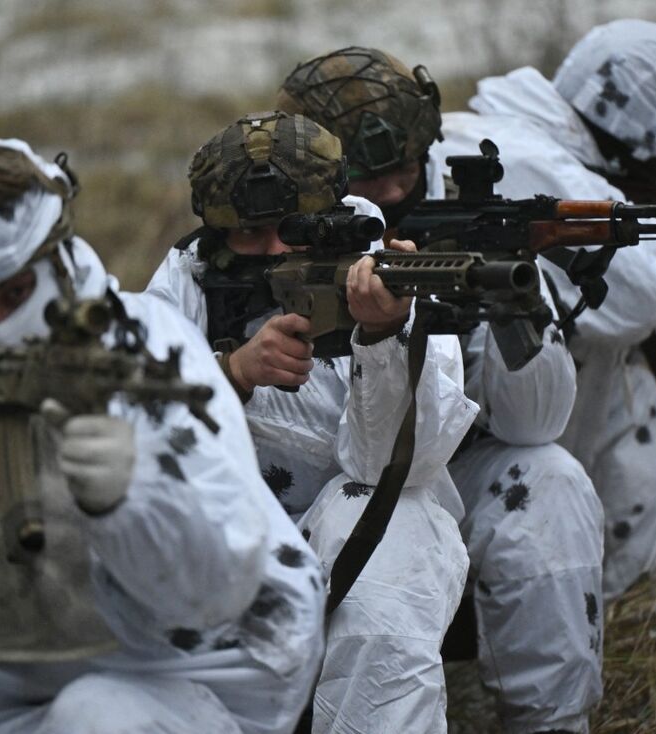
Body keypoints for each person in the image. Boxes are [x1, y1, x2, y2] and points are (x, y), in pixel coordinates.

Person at [0, 132, 324, 734]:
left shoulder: (146, 350)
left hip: (138, 695)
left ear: (51, 258)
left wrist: (133, 497)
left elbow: (225, 585)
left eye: (14, 292)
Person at [278, 48, 605, 734]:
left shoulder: (475, 237)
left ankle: (551, 719)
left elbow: (534, 423)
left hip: (449, 473)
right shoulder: (267, 244)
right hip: (315, 495)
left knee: (549, 479)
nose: (395, 192)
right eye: (369, 175)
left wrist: (516, 310)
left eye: (406, 165)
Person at [433, 19, 656, 600]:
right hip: (466, 441)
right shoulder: (541, 162)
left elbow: (621, 312)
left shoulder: (483, 128)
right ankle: (639, 599)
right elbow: (640, 299)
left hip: (439, 412)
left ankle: (634, 596)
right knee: (629, 389)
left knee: (620, 370)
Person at [145, 111, 478, 734]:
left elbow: (394, 470)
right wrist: (232, 374)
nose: (274, 249)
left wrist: (382, 333)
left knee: (397, 534)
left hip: (345, 546)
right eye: (250, 235)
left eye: (292, 230)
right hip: (219, 560)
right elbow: (127, 428)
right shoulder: (185, 284)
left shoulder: (386, 271)